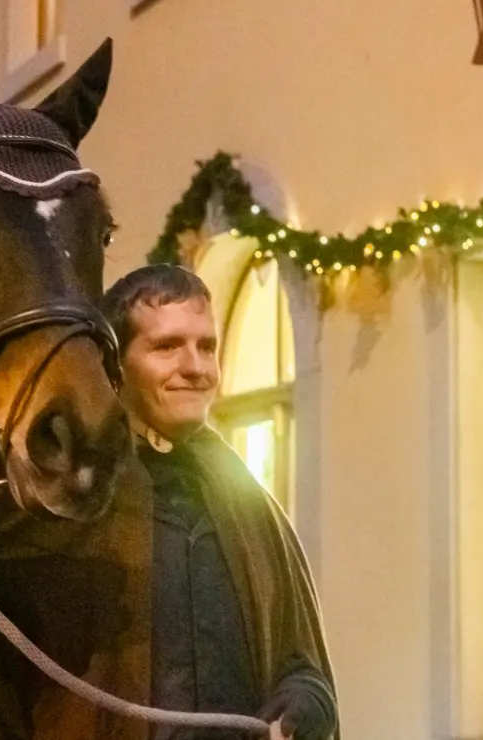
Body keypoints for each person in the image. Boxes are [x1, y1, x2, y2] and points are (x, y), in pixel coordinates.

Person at [99, 264, 339, 740]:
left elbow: (301, 667)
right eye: (167, 346)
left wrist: (302, 707)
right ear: (115, 365)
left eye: (206, 346)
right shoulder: (77, 505)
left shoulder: (249, 505)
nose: (195, 367)